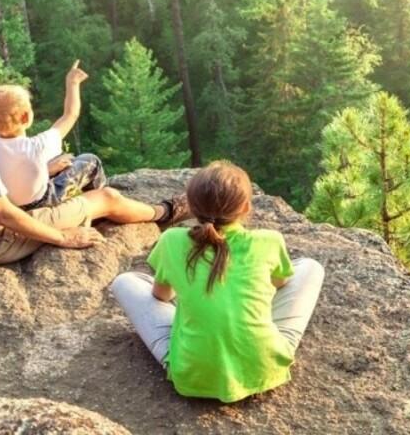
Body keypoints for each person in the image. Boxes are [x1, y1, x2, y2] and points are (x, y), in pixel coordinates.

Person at [0, 34, 188, 265]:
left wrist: (42, 171)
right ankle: (165, 212)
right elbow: (3, 215)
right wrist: (62, 237)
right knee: (107, 197)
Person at [109, 161, 325, 403]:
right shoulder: (269, 241)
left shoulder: (171, 240)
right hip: (264, 365)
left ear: (191, 207)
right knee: (310, 267)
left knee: (125, 282)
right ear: (246, 207)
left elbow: (161, 296)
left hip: (192, 373)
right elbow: (282, 282)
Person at [0, 60, 106, 211]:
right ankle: (102, 206)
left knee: (54, 165)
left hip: (7, 205)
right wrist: (73, 83)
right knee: (90, 161)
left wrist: (46, 170)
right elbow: (70, 115)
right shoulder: (38, 146)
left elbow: (12, 169)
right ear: (25, 117)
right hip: (41, 202)